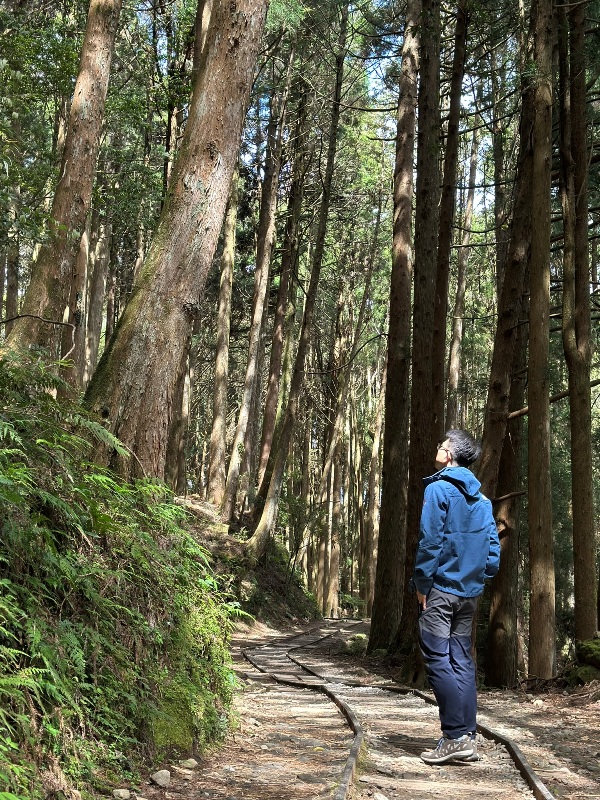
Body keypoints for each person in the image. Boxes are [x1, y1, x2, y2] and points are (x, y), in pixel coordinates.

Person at [413, 429, 500, 765]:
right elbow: (493, 553)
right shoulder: (483, 501)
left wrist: (422, 584)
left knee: (437, 658)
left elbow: (429, 541)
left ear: (448, 454)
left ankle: (454, 737)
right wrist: (476, 576)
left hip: (440, 592)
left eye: (440, 445)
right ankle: (466, 735)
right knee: (462, 660)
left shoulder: (438, 490)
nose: (437, 448)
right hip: (469, 595)